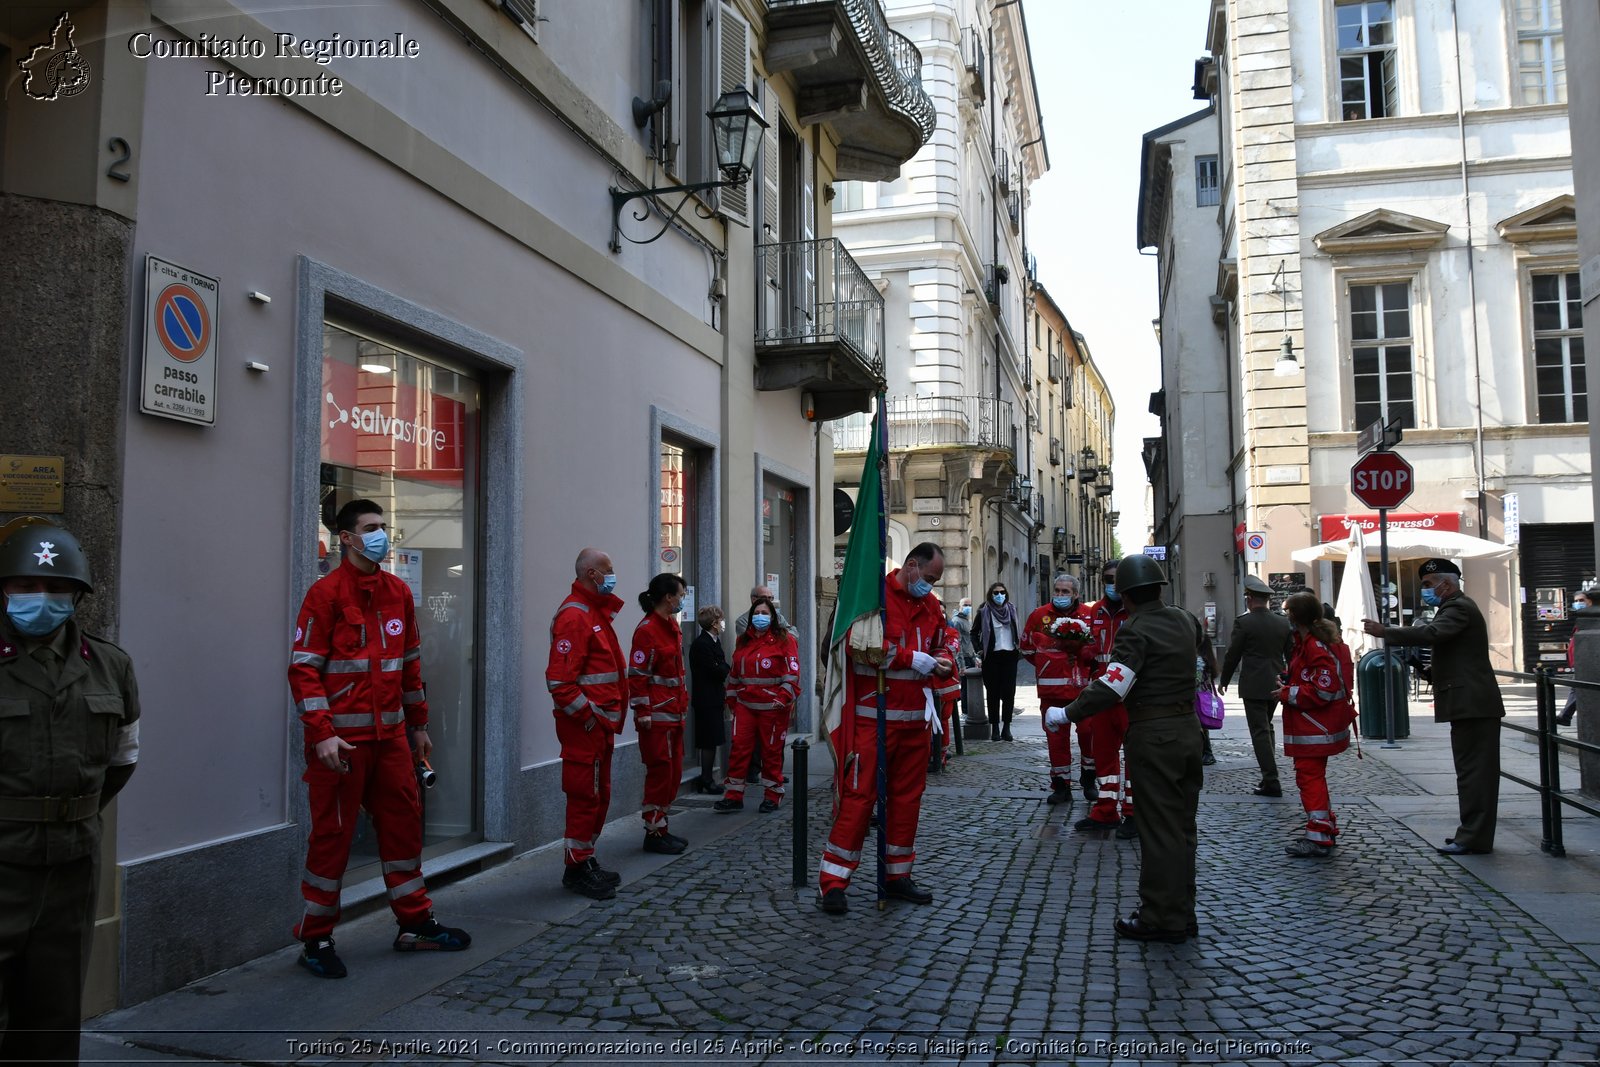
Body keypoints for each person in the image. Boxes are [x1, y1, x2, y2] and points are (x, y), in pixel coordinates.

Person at [288, 500, 470, 979]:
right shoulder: (324, 595)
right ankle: (316, 939)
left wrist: (419, 726)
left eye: (384, 526)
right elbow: (304, 671)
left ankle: (415, 924)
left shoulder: (396, 592)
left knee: (404, 829)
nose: (381, 534)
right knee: (333, 841)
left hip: (390, 740)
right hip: (341, 748)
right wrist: (322, 735)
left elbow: (410, 666)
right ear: (346, 538)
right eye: (370, 528)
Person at [0, 520, 140, 1061]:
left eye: (57, 589)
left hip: (72, 865)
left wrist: (63, 812)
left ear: (77, 596)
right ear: (3, 589)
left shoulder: (111, 666)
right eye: (26, 586)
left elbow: (123, 759)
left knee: (54, 1018)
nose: (42, 598)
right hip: (2, 859)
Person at [1047, 554, 1208, 943]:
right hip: (1188, 731)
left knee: (1158, 831)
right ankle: (1182, 912)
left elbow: (1114, 684)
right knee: (1183, 828)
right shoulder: (1185, 619)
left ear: (1127, 594)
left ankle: (1159, 917)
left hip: (1155, 735)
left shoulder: (1135, 629)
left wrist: (1067, 713)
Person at [818, 542, 959, 915]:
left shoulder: (930, 605)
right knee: (859, 798)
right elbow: (857, 646)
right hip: (872, 719)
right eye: (928, 578)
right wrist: (915, 659)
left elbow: (945, 641)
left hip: (914, 721)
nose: (930, 585)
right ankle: (833, 881)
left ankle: (897, 875)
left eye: (935, 581)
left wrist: (943, 659)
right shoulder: (873, 600)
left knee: (907, 801)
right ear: (911, 566)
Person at [1363, 557, 1506, 855]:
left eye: (1428, 585)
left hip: (1473, 704)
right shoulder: (1454, 607)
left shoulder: (1458, 608)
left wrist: (1385, 632)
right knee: (1471, 773)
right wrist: (1423, 667)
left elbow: (1433, 634)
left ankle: (1473, 837)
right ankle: (1471, 834)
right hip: (1470, 703)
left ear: (1446, 583)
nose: (1426, 590)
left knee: (1475, 774)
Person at [547, 547, 628, 899]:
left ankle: (585, 858)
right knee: (584, 797)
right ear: (591, 574)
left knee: (598, 796)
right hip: (586, 729)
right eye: (608, 569)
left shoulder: (593, 612)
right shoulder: (575, 616)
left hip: (598, 728)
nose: (613, 575)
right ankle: (576, 867)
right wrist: (591, 719)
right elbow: (560, 683)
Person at [1279, 592, 1356, 858]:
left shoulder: (1313, 645)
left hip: (1313, 727)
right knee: (1312, 778)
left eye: (1287, 612)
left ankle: (1319, 834)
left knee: (1309, 778)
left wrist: (1287, 693)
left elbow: (1324, 688)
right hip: (1316, 726)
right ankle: (1322, 827)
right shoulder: (1312, 641)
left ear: (1294, 616)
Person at [715, 597, 800, 813]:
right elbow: (735, 673)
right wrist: (732, 700)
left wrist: (782, 698)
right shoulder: (743, 640)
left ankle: (773, 794)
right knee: (739, 750)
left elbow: (792, 674)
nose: (760, 617)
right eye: (757, 612)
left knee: (771, 753)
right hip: (745, 706)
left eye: (764, 613)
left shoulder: (785, 640)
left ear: (772, 617)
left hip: (772, 708)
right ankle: (734, 795)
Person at [1022, 574, 1096, 805]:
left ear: (1076, 594)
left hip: (1083, 691)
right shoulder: (1039, 615)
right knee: (1056, 740)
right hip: (1051, 692)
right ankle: (1061, 785)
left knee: (1088, 735)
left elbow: (1096, 647)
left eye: (1066, 592)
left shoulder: (1088, 615)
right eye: (1057, 590)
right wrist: (1048, 664)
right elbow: (1026, 648)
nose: (1060, 595)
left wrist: (1081, 656)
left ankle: (1089, 779)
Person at [630, 573, 690, 854]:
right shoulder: (647, 630)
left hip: (673, 714)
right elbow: (638, 674)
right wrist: (642, 710)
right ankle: (653, 832)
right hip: (656, 717)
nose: (682, 599)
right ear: (668, 597)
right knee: (660, 772)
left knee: (673, 772)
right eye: (680, 594)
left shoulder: (670, 626)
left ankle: (661, 826)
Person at [1219, 574, 1294, 797]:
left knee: (1259, 730)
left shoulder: (1244, 622)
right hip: (1276, 681)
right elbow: (1291, 655)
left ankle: (1271, 780)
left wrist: (1224, 680)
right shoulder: (1282, 623)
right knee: (1267, 727)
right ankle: (1267, 778)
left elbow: (1233, 654)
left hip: (1253, 684)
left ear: (1249, 599)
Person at [1079, 558, 1135, 837]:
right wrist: (1078, 649)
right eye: (1107, 579)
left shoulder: (1136, 613)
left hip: (1130, 697)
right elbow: (1086, 650)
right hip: (1101, 694)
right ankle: (1105, 810)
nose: (1111, 584)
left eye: (1116, 579)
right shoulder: (1092, 612)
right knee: (1103, 755)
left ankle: (1134, 813)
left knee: (1135, 756)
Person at [688, 605, 729, 792]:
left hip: (714, 697)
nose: (722, 623)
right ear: (714, 623)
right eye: (721, 619)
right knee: (708, 740)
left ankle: (707, 777)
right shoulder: (701, 644)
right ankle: (706, 779)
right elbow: (716, 670)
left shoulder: (714, 641)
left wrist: (722, 666)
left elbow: (721, 665)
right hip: (706, 699)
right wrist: (723, 667)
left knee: (712, 739)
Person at [977, 580, 1022, 741]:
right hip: (992, 657)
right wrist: (979, 650)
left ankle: (1007, 728)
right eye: (996, 593)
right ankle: (995, 727)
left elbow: (1017, 630)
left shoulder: (1011, 610)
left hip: (1010, 655)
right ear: (991, 594)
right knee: (993, 693)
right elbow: (974, 633)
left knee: (1009, 693)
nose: (999, 595)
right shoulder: (984, 611)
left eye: (1002, 592)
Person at [1556, 587, 1597, 727]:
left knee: (1577, 688)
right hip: (1580, 662)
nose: (1578, 603)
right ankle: (1565, 716)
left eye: (1581, 600)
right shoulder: (1581, 619)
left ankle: (1565, 715)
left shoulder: (1591, 619)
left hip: (1587, 662)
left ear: (1591, 601)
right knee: (1577, 688)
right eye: (1576, 601)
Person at [951, 598, 977, 669]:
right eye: (965, 605)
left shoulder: (967, 620)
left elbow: (969, 641)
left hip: (970, 657)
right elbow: (957, 643)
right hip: (963, 658)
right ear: (960, 606)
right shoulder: (957, 621)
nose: (968, 607)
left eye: (970, 605)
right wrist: (961, 665)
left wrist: (975, 658)